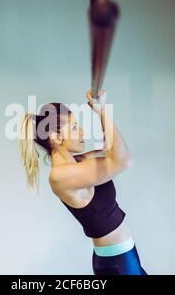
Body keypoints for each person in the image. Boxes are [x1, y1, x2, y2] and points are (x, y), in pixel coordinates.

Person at [19, 89, 147, 275]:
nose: (81, 132)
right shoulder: (60, 176)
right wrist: (101, 110)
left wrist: (100, 108)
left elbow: (113, 150)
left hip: (123, 257)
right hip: (119, 264)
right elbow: (124, 160)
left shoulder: (80, 162)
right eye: (73, 128)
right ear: (56, 137)